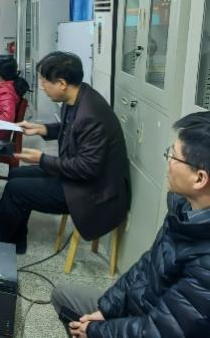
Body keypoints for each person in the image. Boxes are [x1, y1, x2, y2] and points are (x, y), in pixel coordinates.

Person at [51, 111, 210, 338]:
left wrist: (96, 331)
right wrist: (106, 309)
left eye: (174, 156)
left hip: (152, 327)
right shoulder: (183, 209)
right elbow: (147, 265)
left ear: (199, 178)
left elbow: (162, 332)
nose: (168, 160)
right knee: (63, 295)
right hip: (140, 313)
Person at [0, 52, 130, 256]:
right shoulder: (79, 95)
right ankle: (14, 242)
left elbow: (87, 169)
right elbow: (71, 128)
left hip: (91, 191)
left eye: (44, 81)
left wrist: (41, 159)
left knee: (17, 190)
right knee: (16, 175)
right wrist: (43, 129)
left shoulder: (90, 115)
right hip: (78, 177)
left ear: (62, 83)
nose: (42, 86)